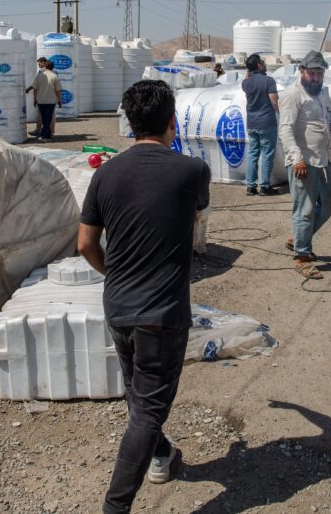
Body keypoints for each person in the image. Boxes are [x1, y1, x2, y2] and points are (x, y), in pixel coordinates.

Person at [78, 80, 211, 514]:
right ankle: (115, 507)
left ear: (130, 124)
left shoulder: (105, 173)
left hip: (117, 306)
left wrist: (112, 271)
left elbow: (85, 244)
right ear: (172, 122)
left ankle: (161, 454)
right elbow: (193, 217)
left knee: (139, 396)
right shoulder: (193, 171)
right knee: (147, 410)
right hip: (163, 313)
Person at [278, 50, 331, 280]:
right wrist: (297, 158)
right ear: (302, 72)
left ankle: (299, 238)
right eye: (312, 73)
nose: (315, 78)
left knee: (330, 202)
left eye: (319, 74)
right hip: (304, 161)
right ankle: (301, 257)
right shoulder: (292, 95)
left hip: (324, 159)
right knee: (305, 209)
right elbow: (285, 129)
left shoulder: (321, 94)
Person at [241, 54, 280, 196]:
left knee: (253, 154)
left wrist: (249, 70)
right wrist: (282, 115)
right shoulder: (269, 81)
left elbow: (248, 78)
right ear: (259, 65)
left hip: (251, 123)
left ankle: (250, 186)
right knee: (267, 155)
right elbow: (274, 102)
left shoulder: (245, 83)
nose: (264, 63)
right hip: (267, 122)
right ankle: (264, 186)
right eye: (262, 62)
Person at [29, 57, 62, 140]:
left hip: (41, 100)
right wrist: (59, 100)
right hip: (50, 101)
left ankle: (46, 134)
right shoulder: (54, 76)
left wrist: (35, 99)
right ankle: (45, 135)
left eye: (40, 62)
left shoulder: (40, 75)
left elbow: (35, 88)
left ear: (45, 65)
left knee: (45, 119)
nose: (39, 64)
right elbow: (58, 90)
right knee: (47, 119)